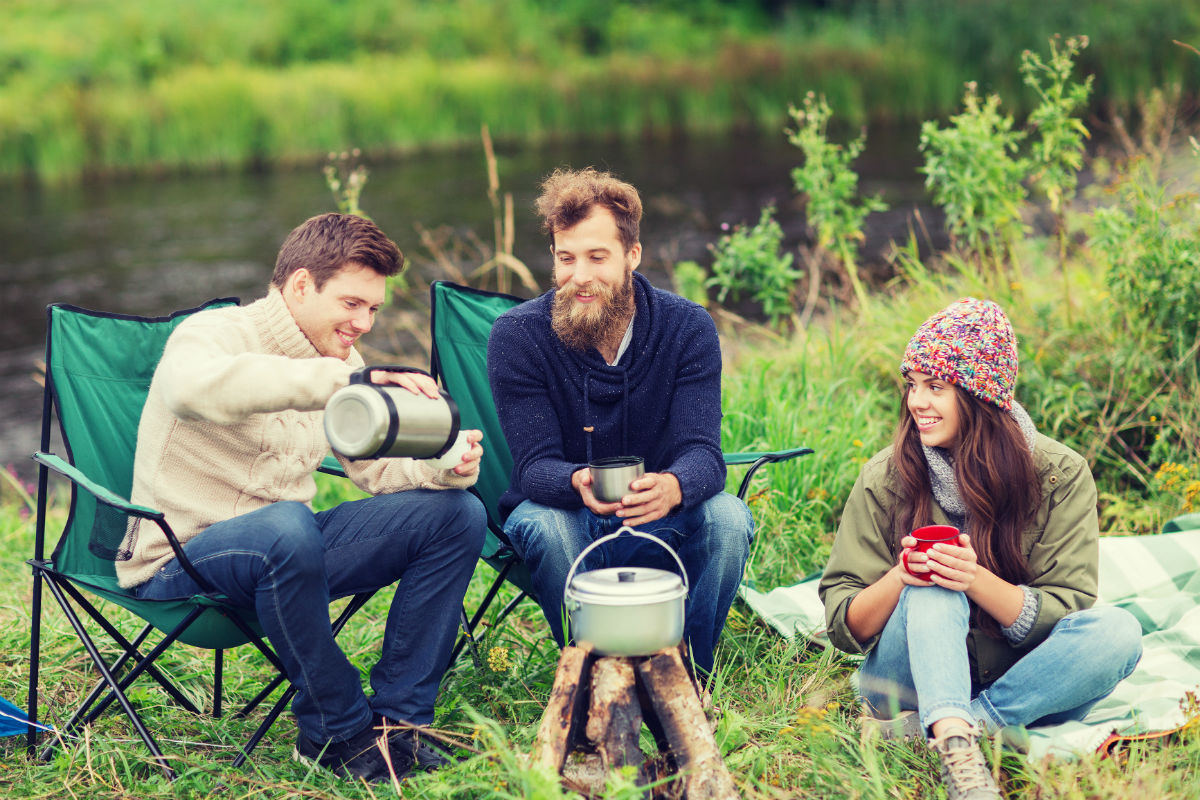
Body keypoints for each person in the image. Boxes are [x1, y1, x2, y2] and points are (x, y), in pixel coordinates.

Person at [118, 213, 487, 784]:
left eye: (373, 309)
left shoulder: (343, 366)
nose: (363, 323)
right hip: (180, 558)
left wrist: (444, 466)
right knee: (286, 525)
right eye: (351, 304)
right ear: (299, 286)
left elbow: (376, 469)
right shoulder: (213, 334)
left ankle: (399, 726)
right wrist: (341, 382)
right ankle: (336, 732)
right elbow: (190, 391)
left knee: (457, 515)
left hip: (290, 555)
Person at [819, 298, 1143, 800]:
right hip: (906, 683)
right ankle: (961, 759)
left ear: (980, 396)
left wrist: (976, 580)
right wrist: (903, 576)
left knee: (1119, 632)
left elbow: (1070, 607)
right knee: (932, 584)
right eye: (913, 385)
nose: (916, 402)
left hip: (1021, 678)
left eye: (936, 387)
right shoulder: (885, 476)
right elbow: (843, 622)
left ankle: (963, 728)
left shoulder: (1059, 475)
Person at [486, 167, 753, 675]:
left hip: (662, 519)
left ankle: (687, 674)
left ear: (633, 255)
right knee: (540, 525)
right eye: (566, 258)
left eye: (596, 257)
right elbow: (533, 467)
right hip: (566, 517)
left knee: (728, 518)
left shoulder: (687, 327)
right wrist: (576, 481)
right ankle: (590, 674)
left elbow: (704, 454)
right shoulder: (517, 336)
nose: (579, 276)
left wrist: (673, 487)